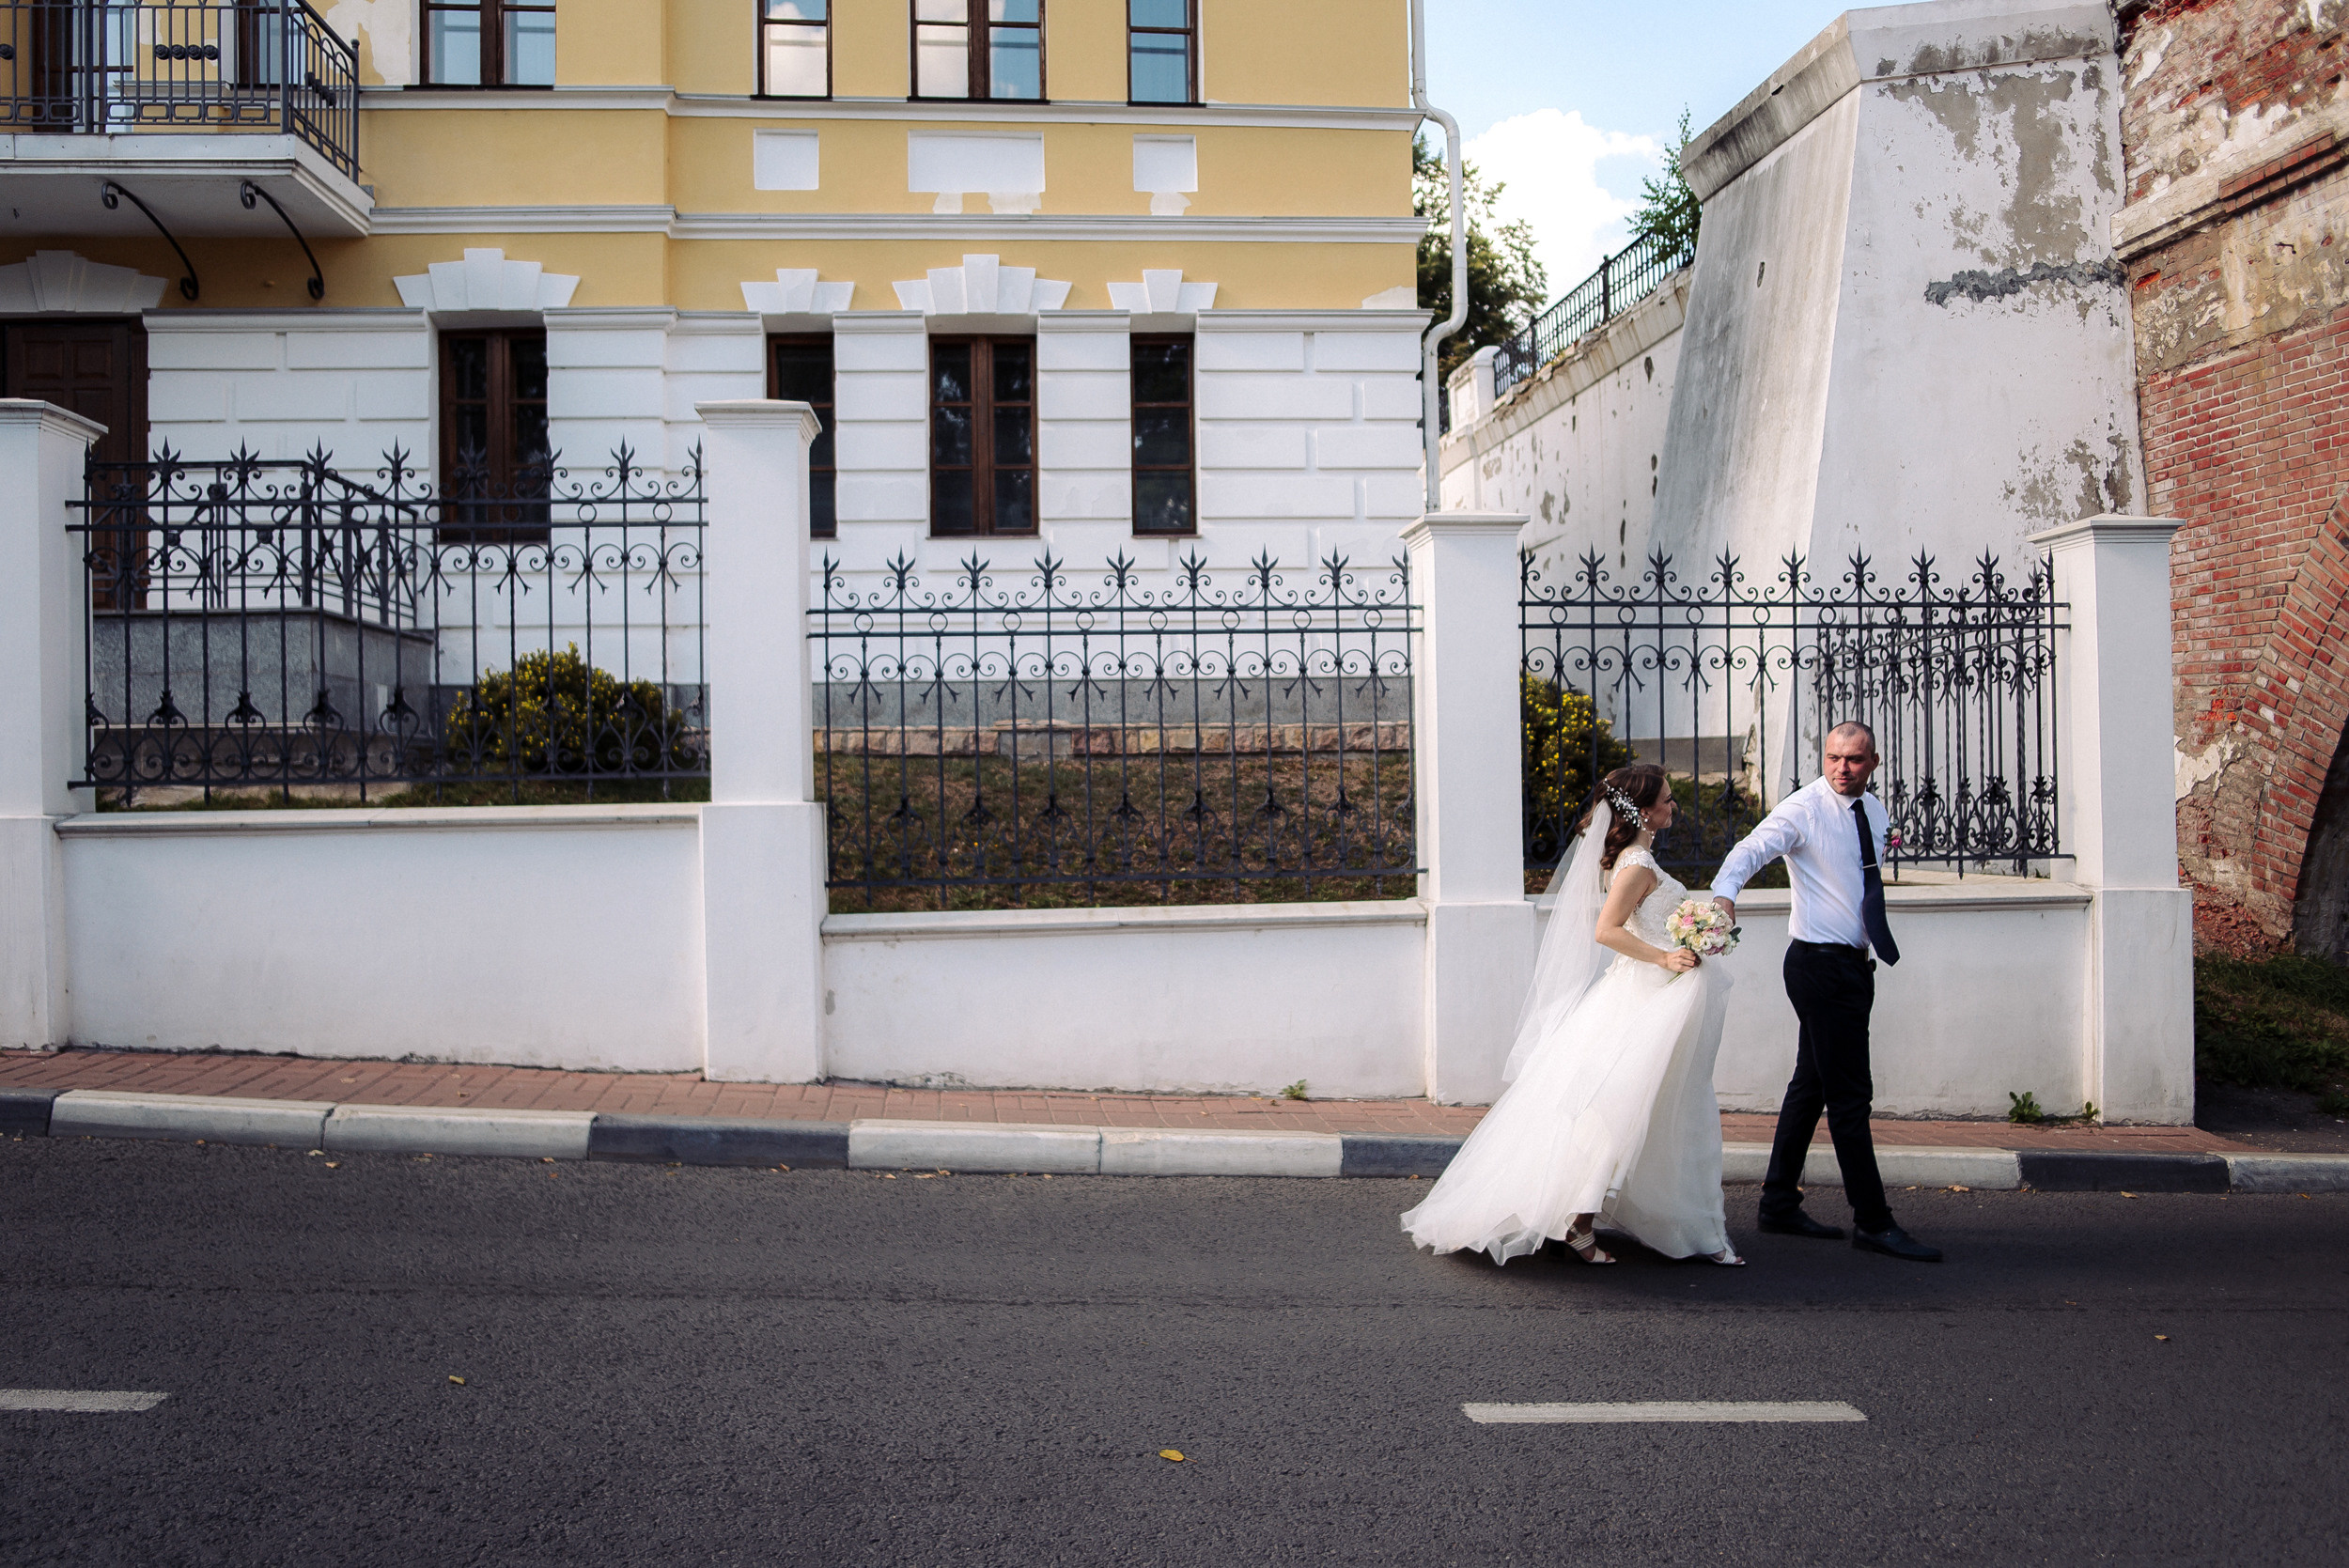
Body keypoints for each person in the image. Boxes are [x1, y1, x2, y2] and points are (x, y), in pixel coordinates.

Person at [1402, 763, 1743, 1267]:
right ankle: (1590, 1222)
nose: (1674, 806)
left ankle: (1650, 1222)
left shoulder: (1637, 858)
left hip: (1654, 997)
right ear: (1643, 811)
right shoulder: (1636, 866)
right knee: (1622, 1111)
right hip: (1641, 1000)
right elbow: (1606, 931)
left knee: (1656, 1108)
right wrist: (1667, 956)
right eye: (1667, 800)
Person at [1709, 722, 1941, 1263]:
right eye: (1834, 757)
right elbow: (1749, 850)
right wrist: (1724, 896)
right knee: (1850, 1097)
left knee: (1811, 1085)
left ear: (1873, 762)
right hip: (1818, 966)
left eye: (1854, 760)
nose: (1842, 768)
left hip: (1855, 967)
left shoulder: (1874, 811)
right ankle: (1874, 1221)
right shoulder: (1804, 809)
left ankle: (1777, 1203)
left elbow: (1862, 870)